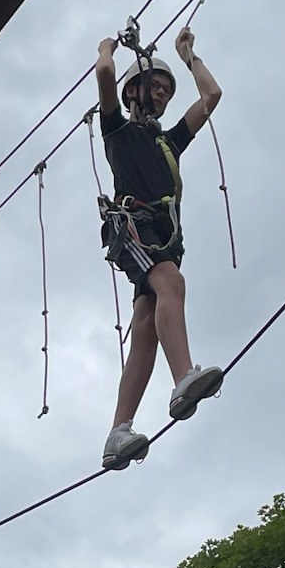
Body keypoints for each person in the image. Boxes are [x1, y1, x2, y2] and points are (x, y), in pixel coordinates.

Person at [95, 23, 224, 472]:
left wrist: (188, 57)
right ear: (135, 94)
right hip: (136, 226)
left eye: (167, 91)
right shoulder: (118, 132)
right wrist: (106, 48)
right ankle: (183, 376)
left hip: (162, 234)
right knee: (171, 281)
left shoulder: (168, 142)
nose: (162, 97)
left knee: (147, 322)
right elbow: (105, 77)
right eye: (154, 88)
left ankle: (118, 431)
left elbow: (211, 97)